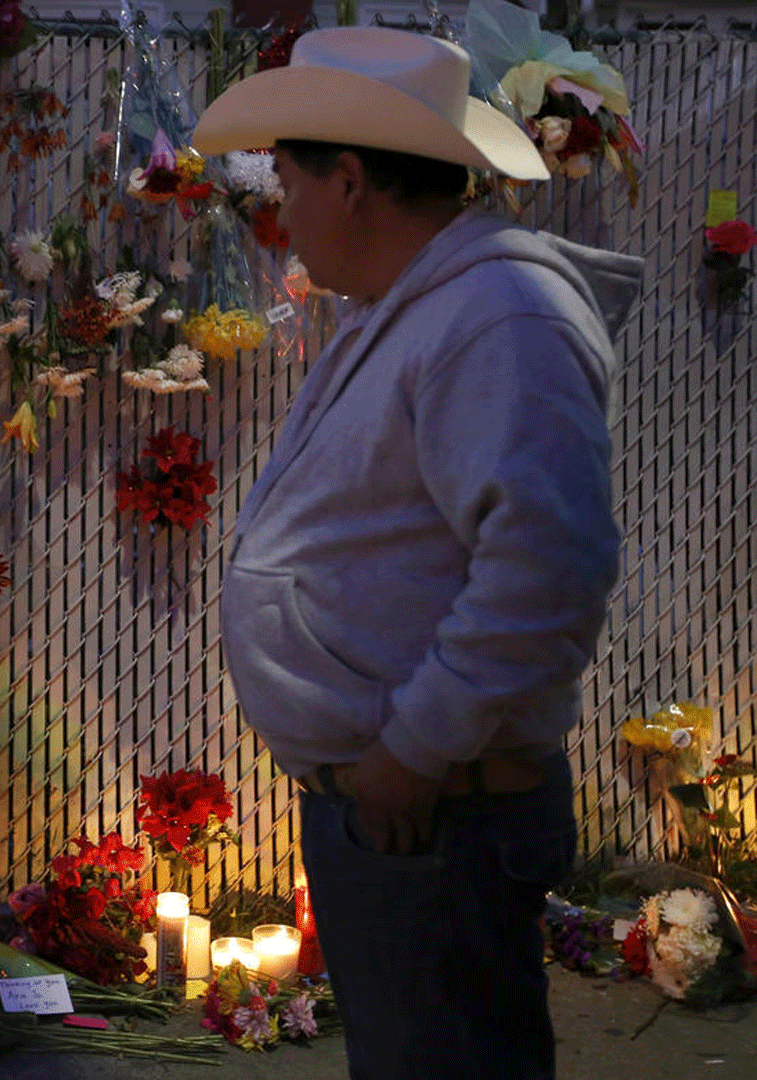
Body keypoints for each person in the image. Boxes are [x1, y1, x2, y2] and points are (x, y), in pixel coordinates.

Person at [192, 27, 643, 1080]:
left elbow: (550, 566)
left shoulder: (499, 317)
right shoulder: (403, 309)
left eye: (291, 185)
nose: (283, 215)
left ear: (349, 181)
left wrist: (415, 747)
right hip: (412, 808)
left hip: (439, 812)